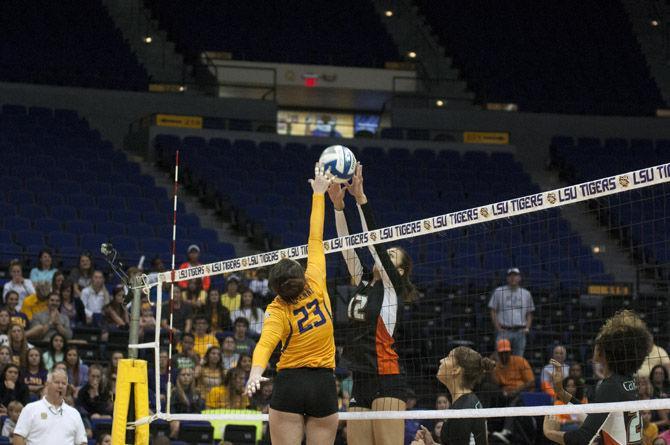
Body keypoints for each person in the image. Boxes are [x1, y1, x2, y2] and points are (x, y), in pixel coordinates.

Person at [246, 165, 338, 445]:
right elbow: (315, 237)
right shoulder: (315, 280)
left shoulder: (276, 308)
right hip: (323, 385)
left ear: (276, 289)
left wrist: (254, 374)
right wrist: (318, 194)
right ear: (299, 274)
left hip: (290, 385)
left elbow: (265, 344)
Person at [327, 164, 417, 445]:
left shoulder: (393, 288)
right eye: (388, 254)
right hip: (360, 378)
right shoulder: (364, 281)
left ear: (399, 271)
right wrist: (339, 207)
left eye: (393, 257)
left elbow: (374, 245)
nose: (385, 258)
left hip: (387, 378)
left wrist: (361, 200)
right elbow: (347, 247)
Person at [544, 309, 653, 444]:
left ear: (606, 352)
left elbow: (582, 439)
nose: (595, 345)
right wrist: (560, 391)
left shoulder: (611, 386)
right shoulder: (628, 380)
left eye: (599, 342)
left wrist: (549, 433)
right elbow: (596, 414)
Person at [411, 346, 493, 445]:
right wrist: (432, 443)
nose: (441, 360)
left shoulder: (462, 411)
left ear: (456, 370)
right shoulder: (466, 402)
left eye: (448, 357)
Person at [12, 368, 87, 445]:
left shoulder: (74, 413)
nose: (60, 386)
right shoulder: (30, 409)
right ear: (47, 384)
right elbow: (18, 437)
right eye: (57, 382)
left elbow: (82, 442)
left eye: (64, 383)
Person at [490, 339, 534, 444]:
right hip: (505, 395)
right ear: (498, 354)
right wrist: (491, 366)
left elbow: (531, 382)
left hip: (524, 394)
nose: (504, 356)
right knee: (492, 393)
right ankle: (489, 428)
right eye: (502, 353)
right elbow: (495, 385)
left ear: (510, 352)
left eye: (506, 353)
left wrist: (515, 391)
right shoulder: (497, 367)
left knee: (516, 398)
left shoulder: (520, 361)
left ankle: (507, 430)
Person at [488, 268, 534, 357]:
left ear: (519, 278)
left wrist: (527, 327)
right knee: (500, 358)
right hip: (504, 331)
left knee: (518, 359)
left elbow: (529, 313)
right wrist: (497, 327)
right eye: (510, 276)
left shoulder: (526, 294)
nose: (513, 278)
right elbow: (493, 310)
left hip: (520, 331)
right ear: (507, 278)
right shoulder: (498, 291)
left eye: (515, 275)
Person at [169, 367, 204, 439]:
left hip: (192, 419)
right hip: (177, 419)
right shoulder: (174, 392)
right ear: (178, 377)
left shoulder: (197, 392)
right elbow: (171, 411)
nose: (186, 377)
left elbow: (199, 411)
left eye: (188, 375)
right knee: (176, 425)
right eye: (183, 375)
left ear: (192, 377)